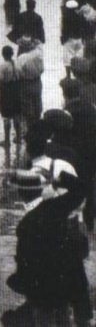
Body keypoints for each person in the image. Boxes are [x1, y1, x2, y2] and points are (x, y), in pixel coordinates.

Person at [6, 168, 90, 327]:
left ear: (21, 194)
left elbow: (24, 262)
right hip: (63, 280)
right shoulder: (56, 207)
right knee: (63, 319)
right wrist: (60, 179)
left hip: (42, 288)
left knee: (45, 320)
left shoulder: (26, 224)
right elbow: (81, 188)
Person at [62, 78, 96, 231]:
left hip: (73, 157)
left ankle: (73, 223)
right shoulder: (90, 108)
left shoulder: (67, 112)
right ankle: (90, 221)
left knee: (72, 188)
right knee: (89, 186)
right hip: (91, 154)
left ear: (65, 94)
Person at [16, 38, 45, 132]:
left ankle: (30, 129)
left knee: (27, 107)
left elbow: (18, 73)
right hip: (37, 81)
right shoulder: (38, 53)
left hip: (25, 83)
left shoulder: (21, 58)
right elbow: (42, 69)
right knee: (37, 103)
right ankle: (38, 125)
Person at [0, 45, 23, 147]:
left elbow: (1, 80)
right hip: (16, 91)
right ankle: (19, 137)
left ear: (3, 54)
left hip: (7, 93)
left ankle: (7, 140)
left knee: (7, 116)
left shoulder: (3, 66)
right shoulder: (17, 64)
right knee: (17, 114)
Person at [62, 0, 93, 78]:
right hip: (79, 39)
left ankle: (68, 75)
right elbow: (84, 27)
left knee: (68, 58)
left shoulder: (66, 18)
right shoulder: (80, 16)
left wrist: (63, 39)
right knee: (79, 56)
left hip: (70, 39)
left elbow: (65, 30)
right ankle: (78, 75)